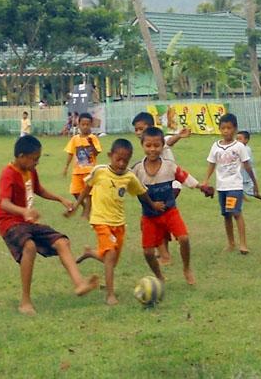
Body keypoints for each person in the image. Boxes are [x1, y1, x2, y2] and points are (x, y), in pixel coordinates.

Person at [0, 135, 99, 315]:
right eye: (34, 159)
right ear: (21, 156)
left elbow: (39, 189)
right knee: (29, 246)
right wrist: (24, 211)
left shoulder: (30, 171)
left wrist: (60, 199)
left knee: (62, 242)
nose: (37, 163)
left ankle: (80, 284)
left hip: (26, 221)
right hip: (9, 222)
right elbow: (3, 203)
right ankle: (25, 302)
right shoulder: (8, 173)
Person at [67, 139, 165, 305]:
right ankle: (110, 295)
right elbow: (87, 187)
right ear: (110, 156)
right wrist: (77, 205)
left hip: (118, 223)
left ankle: (90, 252)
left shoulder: (129, 176)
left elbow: (141, 192)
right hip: (100, 220)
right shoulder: (99, 171)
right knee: (110, 256)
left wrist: (153, 204)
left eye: (125, 160)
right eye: (118, 159)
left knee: (111, 261)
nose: (121, 164)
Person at [131, 127, 212, 285]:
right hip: (149, 216)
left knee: (184, 238)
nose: (153, 149)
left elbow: (185, 177)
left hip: (170, 212)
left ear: (163, 146)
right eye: (148, 146)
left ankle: (187, 268)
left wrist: (201, 187)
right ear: (142, 145)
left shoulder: (169, 166)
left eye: (157, 145)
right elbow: (130, 187)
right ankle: (159, 276)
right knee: (148, 252)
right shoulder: (137, 169)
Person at [132, 111, 191, 265]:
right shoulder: (149, 144)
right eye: (136, 130)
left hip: (170, 185)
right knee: (157, 218)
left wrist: (179, 135)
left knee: (157, 218)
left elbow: (169, 141)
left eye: (141, 128)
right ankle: (163, 251)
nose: (139, 132)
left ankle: (164, 254)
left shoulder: (159, 140)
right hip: (158, 186)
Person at [201, 113, 261, 255]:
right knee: (226, 215)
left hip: (234, 185)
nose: (226, 131)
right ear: (219, 129)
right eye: (223, 128)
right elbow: (211, 164)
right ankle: (231, 242)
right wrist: (206, 180)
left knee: (235, 212)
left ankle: (243, 244)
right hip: (221, 186)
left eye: (229, 128)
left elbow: (247, 166)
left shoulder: (239, 146)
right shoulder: (215, 146)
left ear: (235, 129)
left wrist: (255, 184)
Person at [62, 112, 101, 211]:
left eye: (87, 125)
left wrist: (91, 144)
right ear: (78, 125)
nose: (85, 127)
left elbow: (96, 153)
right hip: (77, 171)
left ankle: (88, 210)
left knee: (89, 193)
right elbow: (70, 153)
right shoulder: (75, 139)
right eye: (83, 124)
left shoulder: (93, 138)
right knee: (74, 191)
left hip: (90, 171)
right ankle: (84, 207)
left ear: (91, 125)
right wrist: (66, 166)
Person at [237, 130, 261, 200]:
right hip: (241, 172)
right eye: (237, 139)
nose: (238, 141)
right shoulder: (238, 148)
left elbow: (245, 162)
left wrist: (239, 170)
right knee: (237, 187)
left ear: (246, 140)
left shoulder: (246, 149)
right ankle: (244, 200)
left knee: (250, 189)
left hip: (247, 172)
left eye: (240, 139)